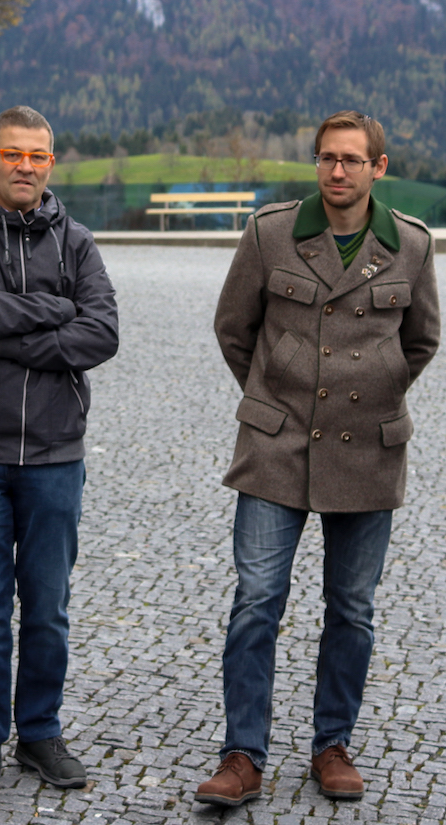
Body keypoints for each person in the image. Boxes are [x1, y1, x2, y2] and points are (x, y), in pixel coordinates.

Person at [196, 110, 439, 808]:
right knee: (255, 604)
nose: (338, 171)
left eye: (352, 161)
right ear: (317, 163)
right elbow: (232, 327)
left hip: (368, 451)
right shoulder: (270, 233)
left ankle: (333, 744)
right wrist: (277, 400)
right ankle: (242, 754)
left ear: (378, 168)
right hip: (275, 449)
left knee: (353, 610)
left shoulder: (412, 247)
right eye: (328, 158)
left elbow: (420, 340)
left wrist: (364, 399)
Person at [0, 105, 119, 792]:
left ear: (50, 164)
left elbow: (101, 334)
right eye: (12, 154)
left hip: (53, 454)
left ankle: (39, 732)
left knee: (47, 607)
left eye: (37, 156)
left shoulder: (78, 243)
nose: (25, 167)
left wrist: (6, 337)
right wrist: (56, 309)